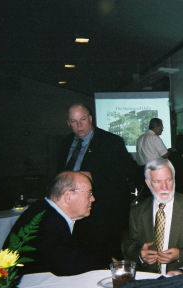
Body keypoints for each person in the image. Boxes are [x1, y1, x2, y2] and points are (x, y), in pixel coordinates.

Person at [57, 103, 137, 259]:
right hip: (71, 213)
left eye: (83, 119)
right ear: (68, 123)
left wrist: (92, 176)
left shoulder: (111, 141)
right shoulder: (66, 143)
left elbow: (128, 171)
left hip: (102, 213)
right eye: (74, 121)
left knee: (105, 259)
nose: (79, 125)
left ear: (91, 118)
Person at [4, 171, 110, 276]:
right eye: (89, 193)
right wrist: (107, 260)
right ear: (68, 196)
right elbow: (68, 265)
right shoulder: (46, 223)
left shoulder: (45, 209)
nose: (93, 198)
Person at [122, 158, 183, 275]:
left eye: (168, 180)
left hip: (181, 277)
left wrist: (181, 254)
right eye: (157, 182)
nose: (164, 187)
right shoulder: (137, 211)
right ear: (148, 183)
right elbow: (129, 244)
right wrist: (140, 254)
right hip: (148, 278)